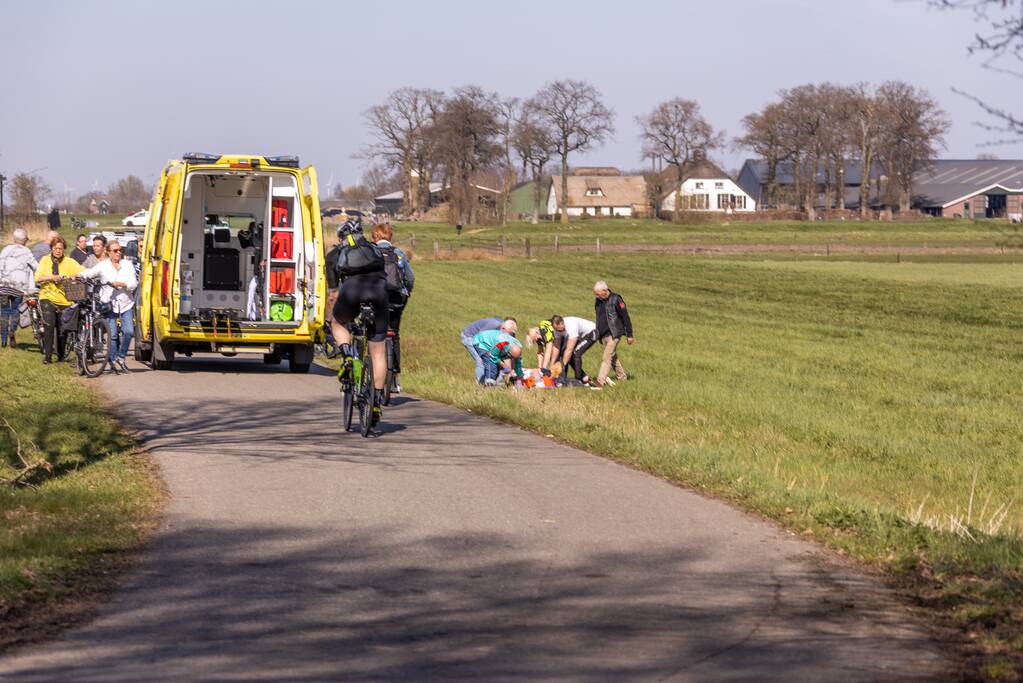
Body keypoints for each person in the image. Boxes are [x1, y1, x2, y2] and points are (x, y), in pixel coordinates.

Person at [329, 218, 389, 425]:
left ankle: (347, 356)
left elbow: (332, 293)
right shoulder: (375, 250)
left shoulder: (336, 254)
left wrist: (333, 313)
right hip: (378, 293)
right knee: (378, 351)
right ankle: (376, 401)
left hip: (351, 291)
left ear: (341, 237)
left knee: (337, 323)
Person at [77, 240, 137, 373]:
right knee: (113, 334)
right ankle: (112, 359)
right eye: (115, 251)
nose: (118, 253)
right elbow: (89, 273)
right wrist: (78, 275)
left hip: (125, 302)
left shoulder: (127, 265)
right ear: (109, 253)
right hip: (109, 304)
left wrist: (122, 284)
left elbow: (134, 283)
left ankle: (121, 357)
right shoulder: (103, 266)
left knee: (129, 332)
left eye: (120, 250)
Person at [371, 222, 415, 392]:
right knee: (394, 333)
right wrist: (407, 292)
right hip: (397, 298)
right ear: (390, 236)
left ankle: (373, 371)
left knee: (375, 334)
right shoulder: (398, 253)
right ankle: (395, 377)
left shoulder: (371, 252)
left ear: (375, 236)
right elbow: (410, 277)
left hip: (375, 297)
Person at [34, 236, 84, 364]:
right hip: (47, 296)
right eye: (55, 248)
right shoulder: (45, 260)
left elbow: (84, 272)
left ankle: (61, 355)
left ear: (64, 249)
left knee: (62, 329)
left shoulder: (70, 262)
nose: (58, 251)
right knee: (49, 325)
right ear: (51, 248)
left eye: (60, 248)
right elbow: (38, 278)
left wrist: (75, 276)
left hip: (64, 300)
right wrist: (52, 277)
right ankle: (48, 357)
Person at [0, 228, 39, 348]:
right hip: (18, 288)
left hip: (3, 287)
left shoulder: (5, 250)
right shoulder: (26, 251)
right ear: (24, 240)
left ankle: (3, 340)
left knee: (4, 311)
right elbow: (36, 266)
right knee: (15, 310)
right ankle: (12, 330)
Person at [592, 280, 634, 389]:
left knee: (606, 357)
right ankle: (622, 376)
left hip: (614, 333)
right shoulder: (598, 301)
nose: (596, 296)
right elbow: (599, 317)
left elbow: (625, 317)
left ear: (605, 291)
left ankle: (600, 382)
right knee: (612, 356)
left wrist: (629, 334)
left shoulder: (616, 299)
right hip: (603, 334)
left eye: (597, 293)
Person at [461, 316, 516, 383]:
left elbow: (510, 353)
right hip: (471, 337)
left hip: (483, 339)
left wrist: (511, 370)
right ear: (504, 326)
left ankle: (496, 382)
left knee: (495, 360)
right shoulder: (493, 324)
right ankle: (480, 384)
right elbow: (481, 339)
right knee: (481, 360)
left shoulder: (510, 332)